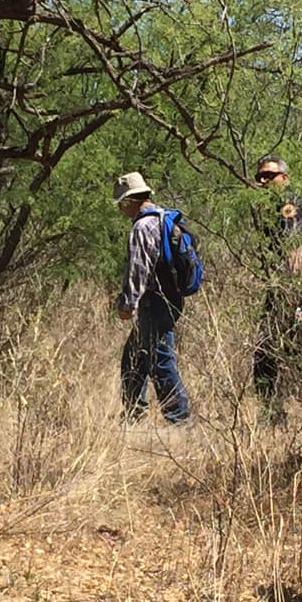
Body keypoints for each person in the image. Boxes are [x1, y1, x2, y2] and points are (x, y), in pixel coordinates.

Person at [114, 171, 192, 424]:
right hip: (171, 299)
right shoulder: (164, 218)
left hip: (154, 302)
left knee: (160, 360)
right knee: (134, 358)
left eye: (121, 204)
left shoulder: (143, 226)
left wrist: (128, 304)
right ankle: (133, 414)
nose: (121, 209)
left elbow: (138, 269)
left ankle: (179, 418)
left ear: (129, 200)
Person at [252, 154, 302, 425]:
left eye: (269, 175)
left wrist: (289, 294)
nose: (263, 181)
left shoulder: (288, 203)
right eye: (260, 176)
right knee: (282, 350)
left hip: (289, 291)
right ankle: (275, 413)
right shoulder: (274, 206)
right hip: (283, 289)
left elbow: (294, 249)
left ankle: (275, 413)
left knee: (269, 350)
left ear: (284, 177)